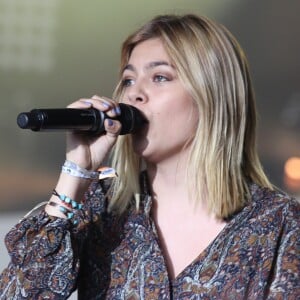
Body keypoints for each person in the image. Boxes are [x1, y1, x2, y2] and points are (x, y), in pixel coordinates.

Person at [0, 14, 299, 300]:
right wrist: (76, 171)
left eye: (159, 77)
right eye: (128, 80)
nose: (134, 94)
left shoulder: (279, 224)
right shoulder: (102, 210)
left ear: (212, 96)